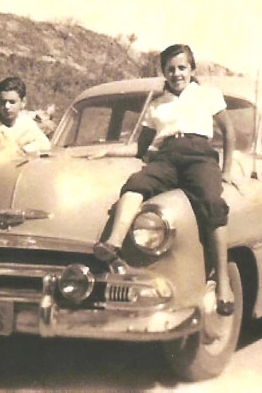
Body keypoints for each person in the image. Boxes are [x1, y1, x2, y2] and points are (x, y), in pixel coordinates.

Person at [92, 44, 237, 316]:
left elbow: (229, 132)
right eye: (170, 69)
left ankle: (223, 283)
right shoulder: (157, 105)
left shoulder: (208, 95)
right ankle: (113, 243)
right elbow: (141, 148)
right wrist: (106, 150)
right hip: (166, 157)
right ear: (164, 73)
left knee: (213, 203)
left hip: (199, 155)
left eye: (182, 68)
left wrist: (227, 171)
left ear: (192, 70)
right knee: (135, 185)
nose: (176, 74)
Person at [0, 76, 52, 169]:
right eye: (3, 102)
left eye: (12, 102)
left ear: (23, 102)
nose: (7, 106)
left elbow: (44, 145)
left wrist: (15, 151)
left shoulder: (27, 124)